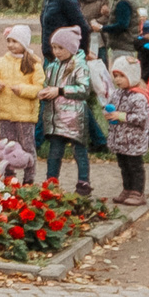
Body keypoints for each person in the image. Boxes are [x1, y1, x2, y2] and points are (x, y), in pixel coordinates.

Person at [39, 27, 96, 194]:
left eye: (60, 48)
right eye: (54, 47)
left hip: (73, 117)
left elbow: (84, 89)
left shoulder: (79, 65)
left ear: (70, 48)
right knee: (54, 152)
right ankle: (51, 182)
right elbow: (48, 84)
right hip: (56, 117)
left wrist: (60, 91)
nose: (56, 52)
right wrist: (44, 91)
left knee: (79, 150)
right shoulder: (52, 66)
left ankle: (83, 182)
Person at [0, 25, 43, 176]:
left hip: (25, 115)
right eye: (9, 41)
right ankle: (9, 178)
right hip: (5, 113)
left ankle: (29, 178)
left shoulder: (34, 63)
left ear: (24, 44)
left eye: (15, 42)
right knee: (7, 147)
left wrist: (22, 90)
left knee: (27, 147)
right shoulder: (0, 62)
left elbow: (39, 88)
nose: (11, 45)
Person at [105, 57, 149, 205]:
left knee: (135, 166)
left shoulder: (139, 97)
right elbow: (110, 105)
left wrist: (121, 116)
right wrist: (108, 112)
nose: (118, 80)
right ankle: (127, 189)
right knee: (123, 165)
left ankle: (138, 192)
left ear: (132, 76)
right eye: (116, 76)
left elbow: (141, 118)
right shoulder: (117, 93)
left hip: (133, 140)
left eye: (122, 76)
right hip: (119, 139)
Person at [104, 0, 138, 66]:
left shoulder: (123, 2)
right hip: (127, 45)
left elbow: (122, 25)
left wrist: (102, 28)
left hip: (123, 45)